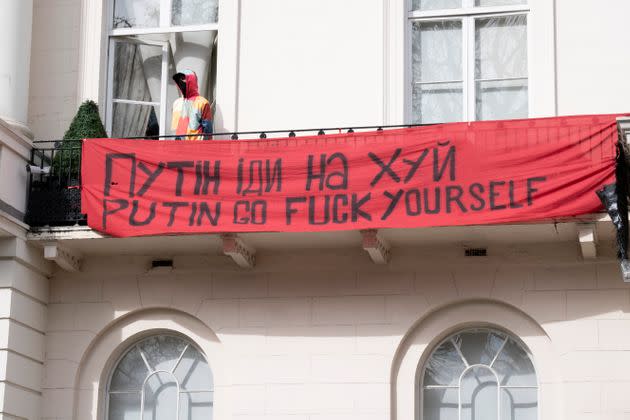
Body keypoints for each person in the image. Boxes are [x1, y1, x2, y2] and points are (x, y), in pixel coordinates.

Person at [171, 69, 213, 140]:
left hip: (195, 148)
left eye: (184, 78)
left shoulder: (202, 102)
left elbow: (207, 132)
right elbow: (174, 128)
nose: (181, 81)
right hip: (176, 147)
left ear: (191, 80)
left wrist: (205, 148)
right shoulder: (176, 103)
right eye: (179, 79)